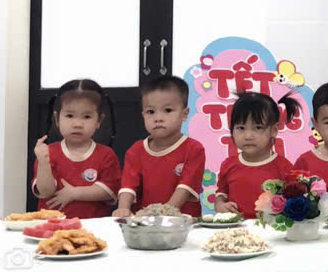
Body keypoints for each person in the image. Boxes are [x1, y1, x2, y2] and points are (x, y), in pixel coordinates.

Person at [114, 75, 206, 217]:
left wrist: (164, 213)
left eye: (168, 110)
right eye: (150, 112)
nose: (158, 118)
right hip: (145, 223)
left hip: (184, 222)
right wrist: (123, 208)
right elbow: (128, 186)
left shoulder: (194, 149)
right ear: (143, 115)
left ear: (184, 114)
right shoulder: (136, 150)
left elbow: (185, 188)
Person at [32, 79, 121, 219]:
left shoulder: (106, 155)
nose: (78, 124)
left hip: (93, 227)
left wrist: (74, 193)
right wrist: (43, 163)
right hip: (53, 226)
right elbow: (45, 192)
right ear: (57, 118)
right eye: (69, 116)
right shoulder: (48, 153)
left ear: (98, 121)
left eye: (87, 116)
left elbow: (108, 190)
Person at [213, 92, 296, 218]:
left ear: (274, 130)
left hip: (271, 229)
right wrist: (219, 205)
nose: (248, 136)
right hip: (236, 228)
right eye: (241, 128)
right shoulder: (228, 164)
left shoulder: (284, 168)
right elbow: (221, 194)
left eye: (257, 128)